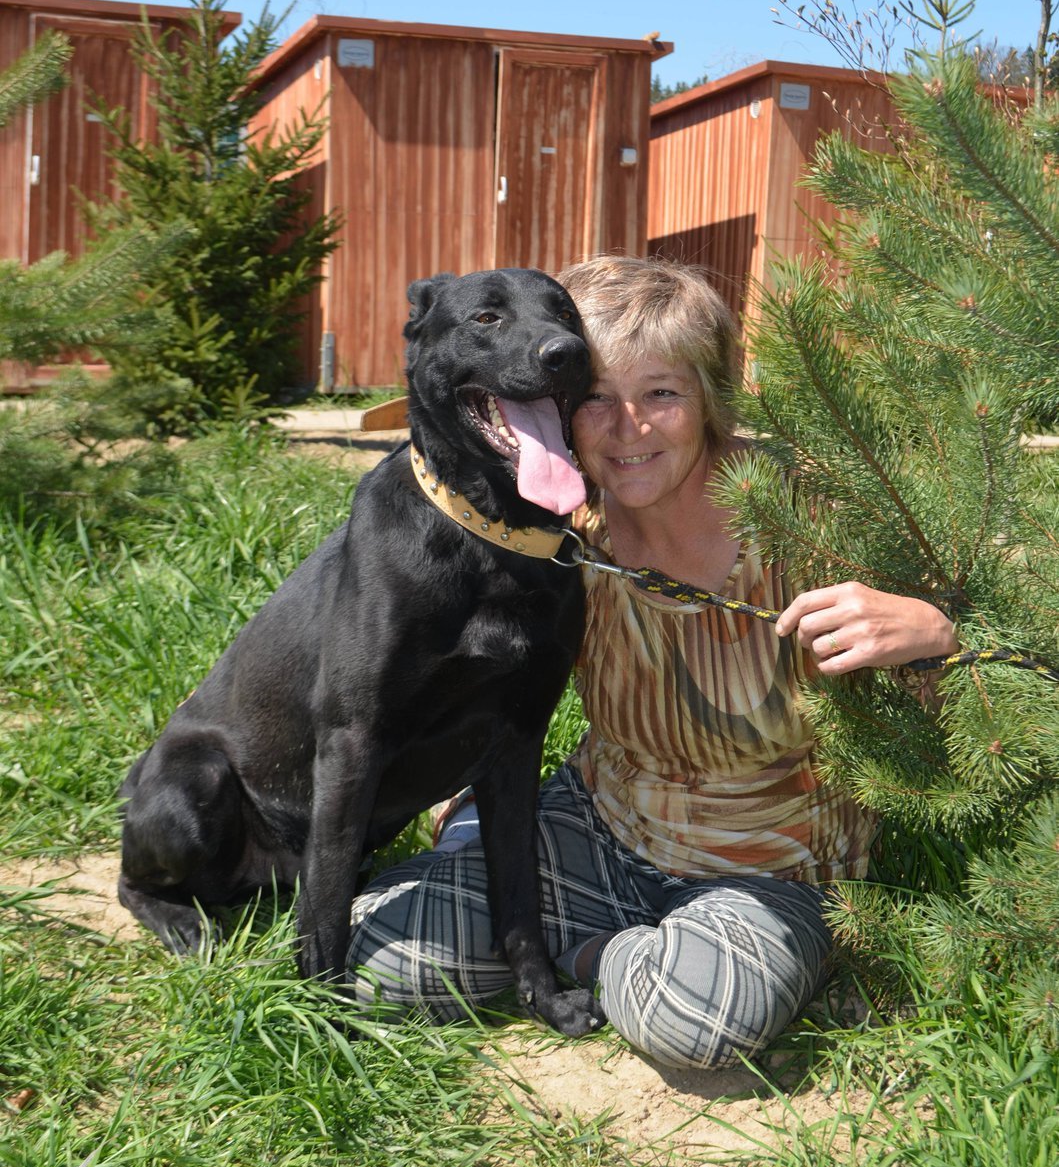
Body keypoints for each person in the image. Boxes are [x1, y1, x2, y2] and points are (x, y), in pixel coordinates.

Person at [345, 255, 958, 1070]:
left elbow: (1006, 627)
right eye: (595, 397)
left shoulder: (807, 515)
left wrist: (935, 628)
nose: (626, 428)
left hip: (767, 865)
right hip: (597, 821)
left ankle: (581, 944)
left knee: (697, 1025)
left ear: (709, 399)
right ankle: (525, 888)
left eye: (661, 394)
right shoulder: (564, 533)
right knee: (386, 966)